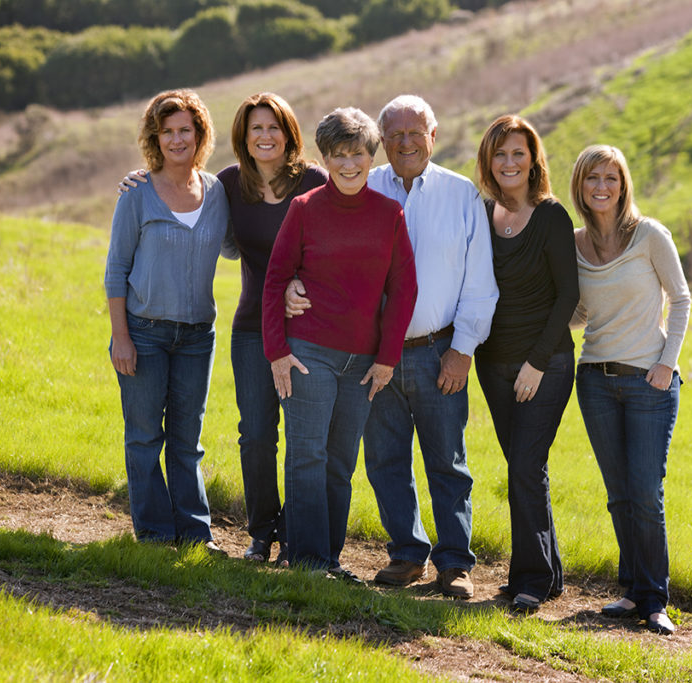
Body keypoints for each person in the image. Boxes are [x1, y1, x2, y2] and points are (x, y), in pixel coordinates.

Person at [286, 95, 498, 598]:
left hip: (437, 350)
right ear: (381, 141)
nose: (405, 142)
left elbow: (480, 283)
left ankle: (454, 563)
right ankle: (407, 553)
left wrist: (463, 349)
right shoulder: (363, 184)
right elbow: (309, 233)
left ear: (433, 134)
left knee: (447, 460)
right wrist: (292, 281)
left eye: (415, 132)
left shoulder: (461, 194)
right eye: (394, 134)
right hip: (371, 353)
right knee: (384, 460)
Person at [121, 93, 326, 564]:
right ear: (242, 138)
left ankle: (296, 536)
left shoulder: (314, 182)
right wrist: (137, 181)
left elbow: (334, 244)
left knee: (303, 438)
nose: (265, 136)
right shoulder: (230, 184)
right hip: (252, 326)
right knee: (256, 435)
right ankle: (261, 533)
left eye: (273, 127)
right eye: (255, 128)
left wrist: (301, 279)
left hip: (308, 328)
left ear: (289, 132)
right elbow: (187, 201)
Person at [261, 107, 417, 577]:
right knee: (307, 453)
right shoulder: (305, 209)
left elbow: (404, 288)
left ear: (372, 157)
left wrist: (388, 357)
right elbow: (275, 281)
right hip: (309, 353)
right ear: (325, 159)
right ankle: (307, 561)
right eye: (338, 156)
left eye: (357, 154)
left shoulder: (390, 213)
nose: (349, 165)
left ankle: (326, 557)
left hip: (364, 361)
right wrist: (277, 352)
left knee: (341, 461)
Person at [104, 89, 237, 550]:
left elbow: (242, 247)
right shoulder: (138, 192)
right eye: (168, 132)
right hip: (143, 332)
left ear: (200, 134)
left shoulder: (217, 192)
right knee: (144, 438)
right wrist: (121, 337)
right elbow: (116, 270)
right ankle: (156, 535)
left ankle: (196, 535)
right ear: (155, 138)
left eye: (186, 130)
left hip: (199, 336)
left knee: (187, 441)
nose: (177, 140)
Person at [569, 144, 690, 635]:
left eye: (611, 178)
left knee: (645, 491)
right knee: (619, 494)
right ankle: (631, 590)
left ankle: (655, 599)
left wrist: (666, 364)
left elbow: (681, 299)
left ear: (623, 185)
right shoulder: (573, 244)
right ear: (580, 186)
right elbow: (580, 314)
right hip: (595, 380)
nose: (602, 187)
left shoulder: (649, 235)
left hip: (648, 382)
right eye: (593, 178)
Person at [473, 115, 579, 613]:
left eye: (518, 153)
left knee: (526, 467)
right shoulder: (482, 214)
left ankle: (530, 581)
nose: (509, 162)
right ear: (488, 162)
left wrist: (536, 362)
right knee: (523, 468)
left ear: (533, 158)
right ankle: (547, 571)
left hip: (546, 364)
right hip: (492, 364)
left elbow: (568, 297)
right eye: (500, 154)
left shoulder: (552, 216)